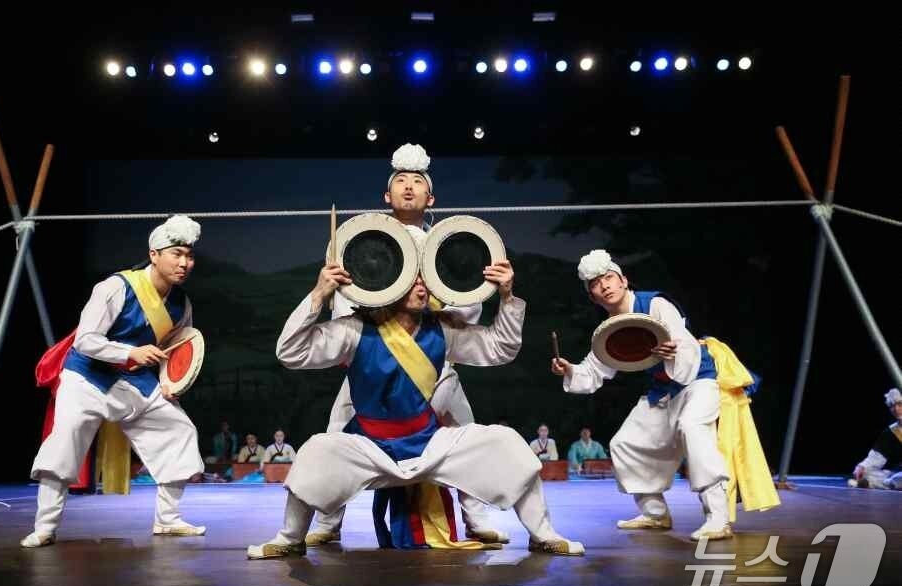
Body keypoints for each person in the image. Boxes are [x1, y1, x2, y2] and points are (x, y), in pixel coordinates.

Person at [247, 248, 583, 559]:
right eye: (413, 280)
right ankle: (290, 538)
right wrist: (319, 294)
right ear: (390, 283)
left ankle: (543, 533)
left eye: (426, 280)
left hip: (427, 441)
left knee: (505, 442)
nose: (422, 286)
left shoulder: (442, 329)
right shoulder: (355, 329)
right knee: (317, 450)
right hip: (369, 445)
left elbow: (500, 348)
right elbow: (290, 352)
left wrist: (507, 296)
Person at [306, 143, 506, 548]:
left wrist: (437, 324)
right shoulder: (367, 246)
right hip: (372, 357)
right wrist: (349, 347)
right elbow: (345, 296)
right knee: (338, 433)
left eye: (417, 182)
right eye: (401, 181)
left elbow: (466, 303)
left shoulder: (447, 250)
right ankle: (328, 519)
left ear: (431, 198)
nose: (409, 187)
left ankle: (476, 516)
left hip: (430, 358)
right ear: (387, 195)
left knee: (463, 431)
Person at [551, 249, 778, 541]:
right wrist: (569, 369)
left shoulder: (655, 304)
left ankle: (718, 518)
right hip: (663, 391)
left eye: (608, 278)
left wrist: (674, 351)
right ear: (592, 297)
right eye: (595, 284)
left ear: (623, 280)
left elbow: (684, 343)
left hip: (699, 379)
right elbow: (595, 370)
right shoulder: (610, 330)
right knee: (625, 443)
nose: (604, 286)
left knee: (692, 427)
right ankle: (655, 513)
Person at [21, 215, 207, 548]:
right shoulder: (115, 288)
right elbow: (86, 340)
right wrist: (130, 352)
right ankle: (45, 527)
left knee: (179, 430)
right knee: (65, 441)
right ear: (154, 255)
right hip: (86, 377)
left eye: (189, 256)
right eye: (177, 254)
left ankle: (167, 520)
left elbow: (174, 350)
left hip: (133, 382)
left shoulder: (182, 305)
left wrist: (169, 383)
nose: (184, 263)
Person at [849, 388, 902, 490]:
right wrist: (862, 467)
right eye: (892, 406)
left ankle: (880, 483)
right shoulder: (892, 431)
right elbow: (877, 456)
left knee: (898, 478)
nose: (896, 409)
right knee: (865, 473)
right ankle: (879, 482)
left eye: (900, 404)